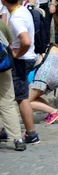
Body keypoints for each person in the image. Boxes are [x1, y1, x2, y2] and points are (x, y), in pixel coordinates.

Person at [1, 0, 39, 145]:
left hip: (22, 59)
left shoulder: (16, 18)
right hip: (27, 57)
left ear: (3, 0)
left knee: (20, 97)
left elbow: (26, 40)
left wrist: (18, 53)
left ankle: (31, 133)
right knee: (18, 96)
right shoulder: (22, 10)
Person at [0, 16, 26, 151]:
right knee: (8, 103)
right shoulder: (1, 24)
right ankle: (18, 138)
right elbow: (8, 46)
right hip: (3, 67)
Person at [29, 44, 58, 125]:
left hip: (44, 75)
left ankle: (54, 112)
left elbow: (39, 62)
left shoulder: (49, 48)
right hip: (56, 80)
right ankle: (52, 113)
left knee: (25, 102)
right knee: (34, 97)